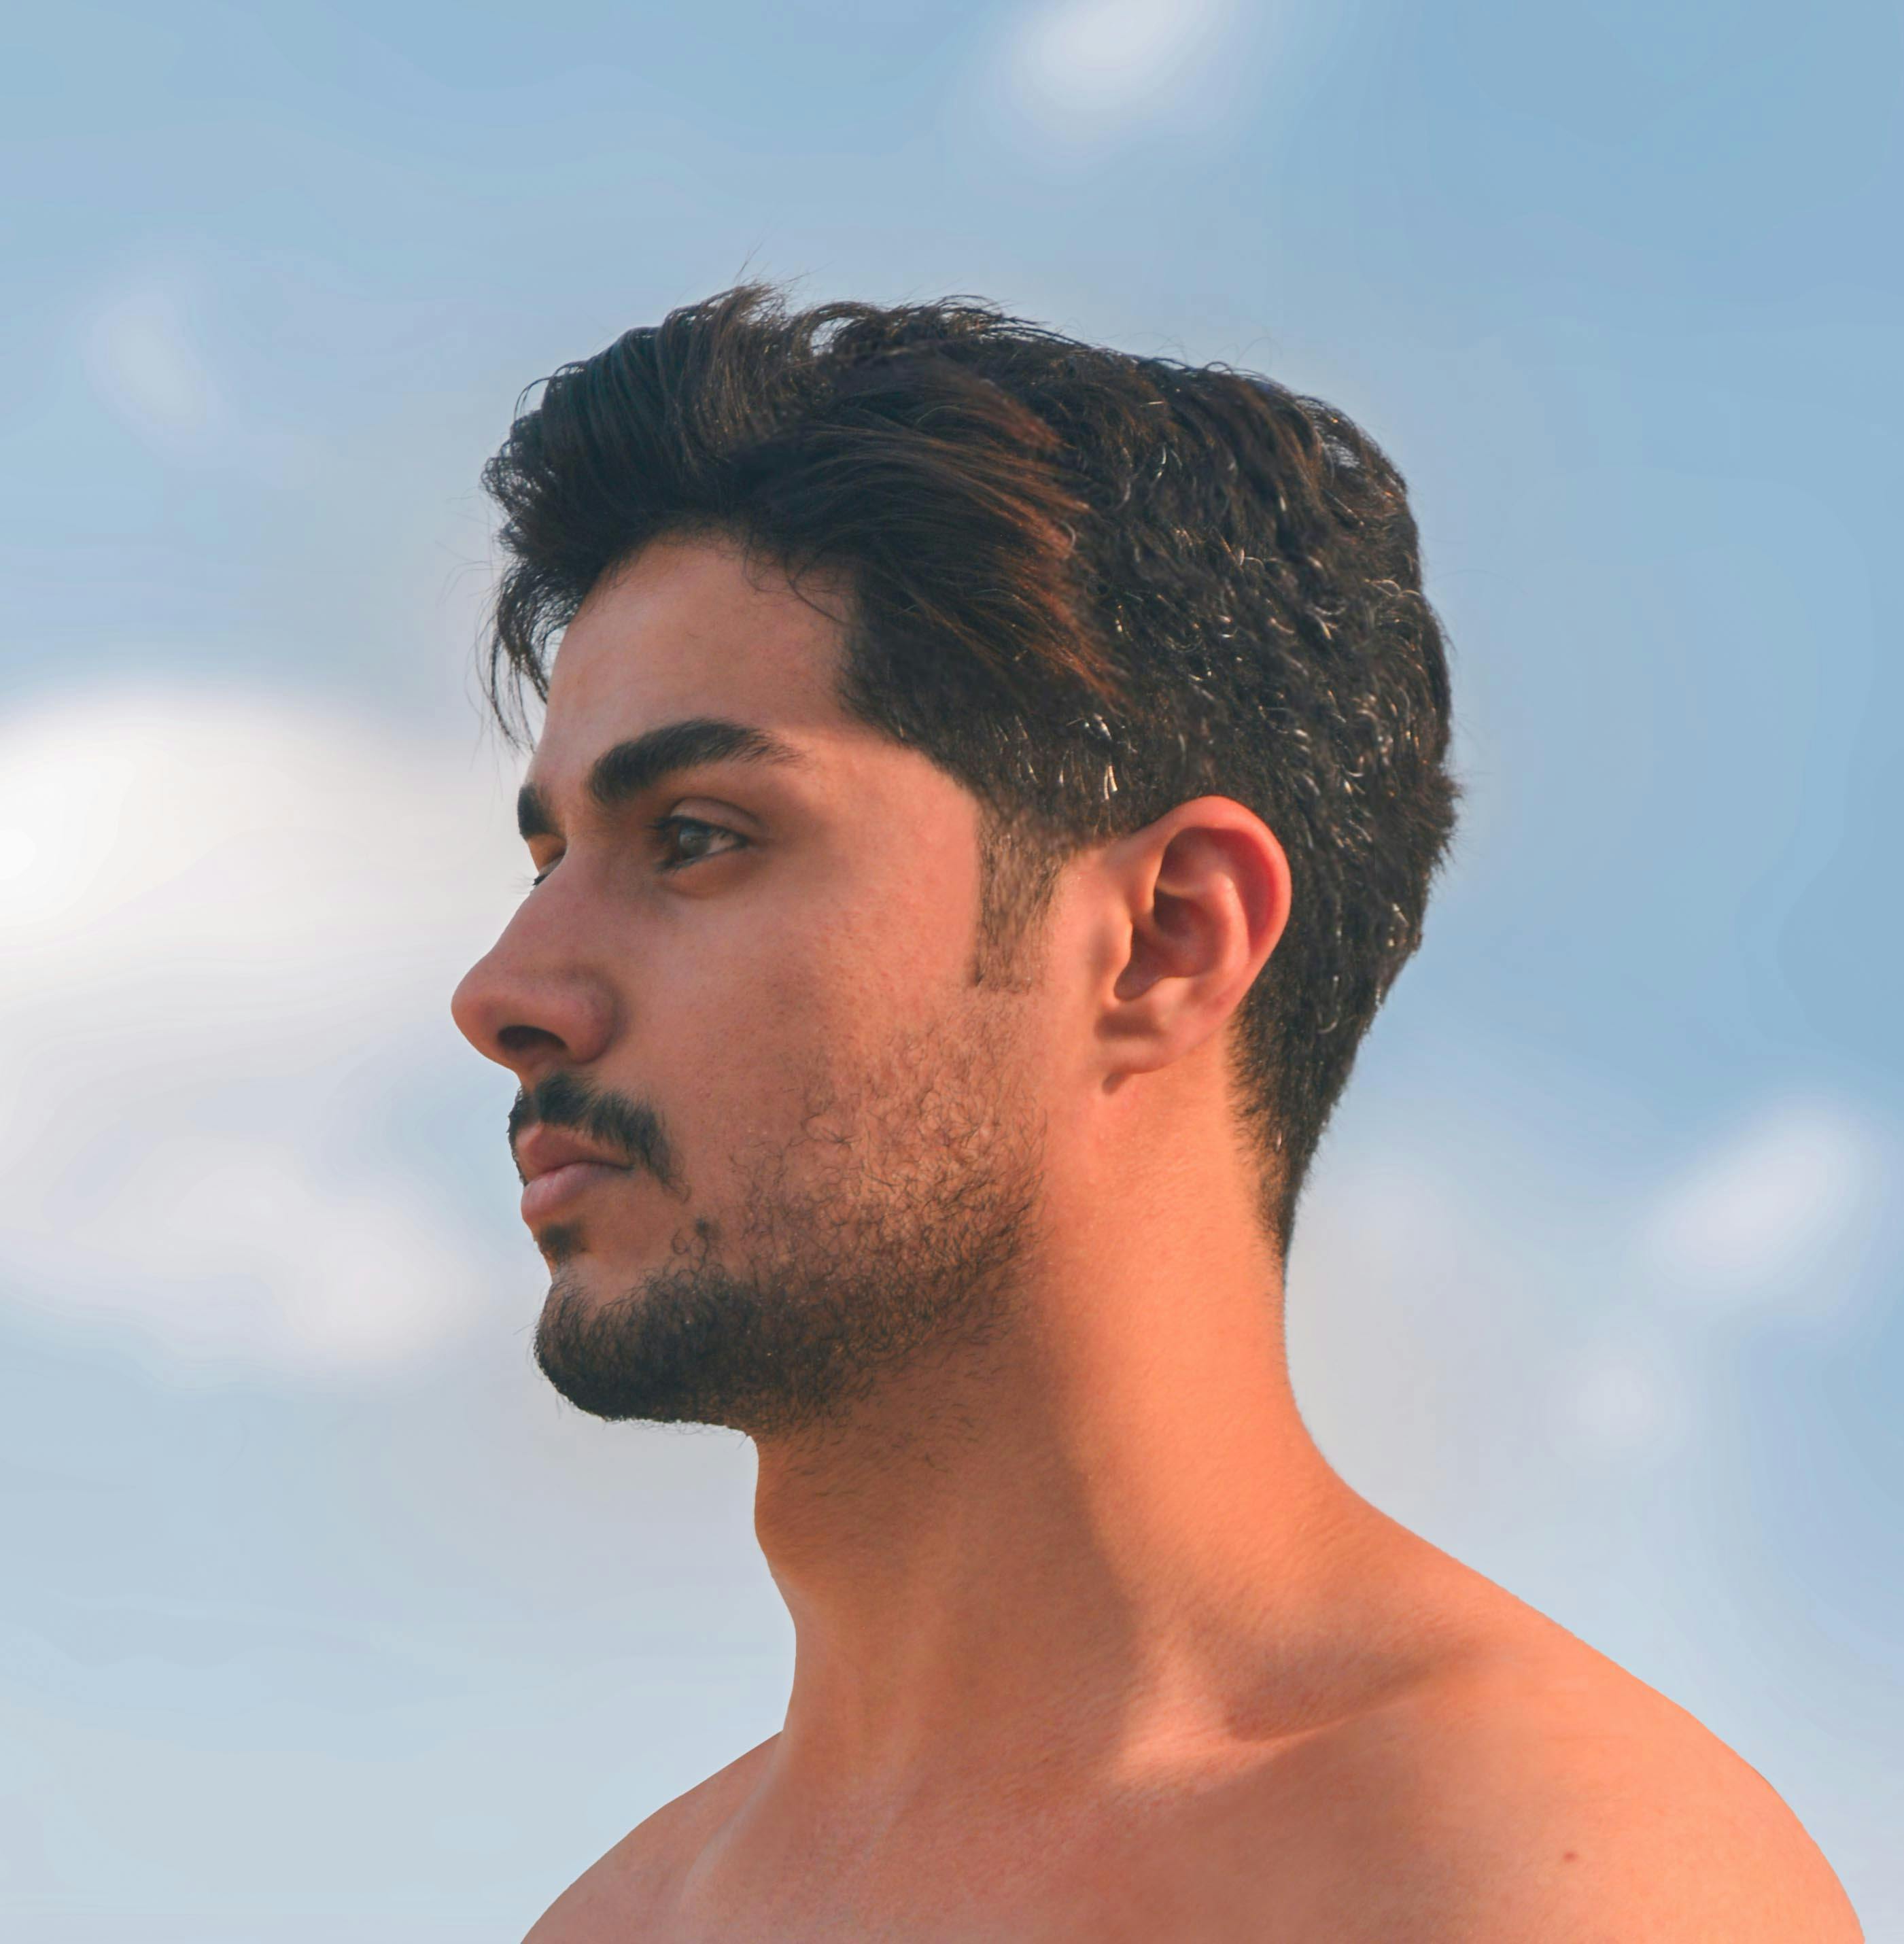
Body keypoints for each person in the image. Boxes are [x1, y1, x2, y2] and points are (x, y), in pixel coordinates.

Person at [450, 286, 1862, 1941]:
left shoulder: (1526, 1880)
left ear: (1165, 938)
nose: (507, 987)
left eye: (697, 835)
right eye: (550, 856)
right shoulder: (616, 1916)